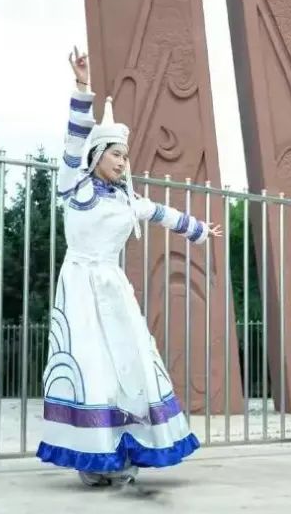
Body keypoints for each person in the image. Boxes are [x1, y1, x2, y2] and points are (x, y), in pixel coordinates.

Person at [37, 47, 219, 487]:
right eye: (115, 153)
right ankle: (90, 456)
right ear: (97, 154)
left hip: (113, 289)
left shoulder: (127, 200)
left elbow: (161, 213)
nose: (122, 161)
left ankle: (127, 446)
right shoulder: (73, 186)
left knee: (129, 362)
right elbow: (74, 138)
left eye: (125, 155)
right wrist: (83, 87)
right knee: (90, 367)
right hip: (80, 286)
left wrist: (199, 230)